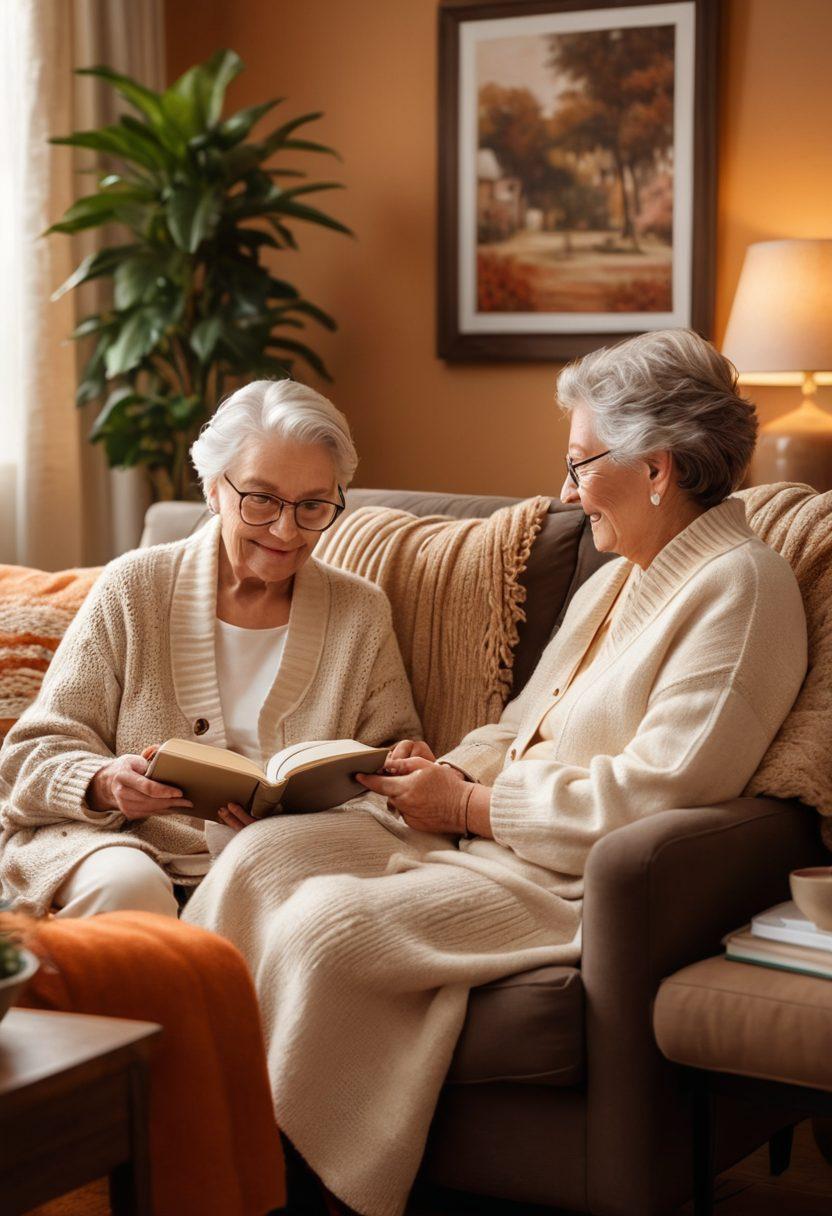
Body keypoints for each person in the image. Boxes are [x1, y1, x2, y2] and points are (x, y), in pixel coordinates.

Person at [182, 329, 808, 1216]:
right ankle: (191, 1142)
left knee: (325, 924)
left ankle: (284, 1190)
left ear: (659, 469)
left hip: (567, 880)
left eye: (581, 463)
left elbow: (656, 797)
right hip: (491, 840)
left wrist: (473, 805)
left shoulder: (741, 589)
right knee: (260, 860)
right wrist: (438, 767)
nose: (565, 491)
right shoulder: (619, 579)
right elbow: (521, 729)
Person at [0, 380, 420, 919]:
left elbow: (390, 760)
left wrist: (402, 769)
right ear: (214, 488)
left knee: (311, 909)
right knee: (128, 890)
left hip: (285, 855)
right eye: (261, 498)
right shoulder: (134, 587)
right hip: (125, 842)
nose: (286, 530)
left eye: (312, 505)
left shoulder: (361, 612)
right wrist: (105, 784)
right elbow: (31, 752)